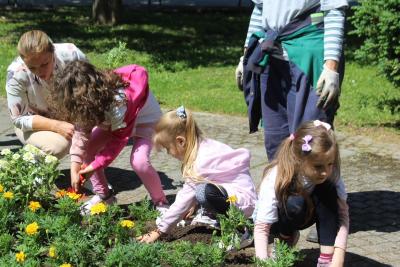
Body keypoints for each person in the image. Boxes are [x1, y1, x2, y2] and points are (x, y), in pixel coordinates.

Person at [50, 60, 168, 213]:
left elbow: (118, 141)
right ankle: (105, 196)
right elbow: (81, 133)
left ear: (90, 98)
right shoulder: (87, 104)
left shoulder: (117, 103)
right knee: (88, 149)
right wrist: (75, 166)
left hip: (145, 122)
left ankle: (161, 202)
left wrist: (95, 165)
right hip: (115, 124)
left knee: (139, 162)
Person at [236, 0, 348, 161]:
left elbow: (334, 10)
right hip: (272, 59)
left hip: (309, 59)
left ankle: (316, 186)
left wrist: (331, 67)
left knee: (311, 139)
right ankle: (282, 184)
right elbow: (260, 8)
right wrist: (245, 55)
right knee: (276, 141)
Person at [137, 106, 257, 243]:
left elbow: (184, 199)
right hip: (240, 199)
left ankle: (241, 232)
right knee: (200, 192)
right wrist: (192, 204)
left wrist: (160, 230)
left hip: (243, 206)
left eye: (167, 148)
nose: (168, 153)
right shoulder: (205, 146)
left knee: (202, 193)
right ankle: (217, 217)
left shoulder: (201, 162)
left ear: (181, 141)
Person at [252, 120, 349, 266]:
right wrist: (264, 263)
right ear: (299, 160)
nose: (325, 172)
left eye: (330, 164)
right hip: (277, 221)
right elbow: (261, 228)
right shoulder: (276, 176)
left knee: (328, 190)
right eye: (318, 166)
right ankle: (285, 240)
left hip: (306, 213)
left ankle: (326, 259)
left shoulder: (329, 174)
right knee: (294, 203)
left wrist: (339, 255)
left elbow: (342, 215)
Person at [6, 30, 87, 159]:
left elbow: (91, 88)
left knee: (100, 133)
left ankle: (88, 174)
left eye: (45, 64)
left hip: (72, 115)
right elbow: (19, 118)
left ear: (53, 51)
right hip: (34, 123)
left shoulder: (73, 55)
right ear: (23, 60)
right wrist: (56, 126)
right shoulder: (15, 74)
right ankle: (29, 165)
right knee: (59, 146)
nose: (40, 72)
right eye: (32, 67)